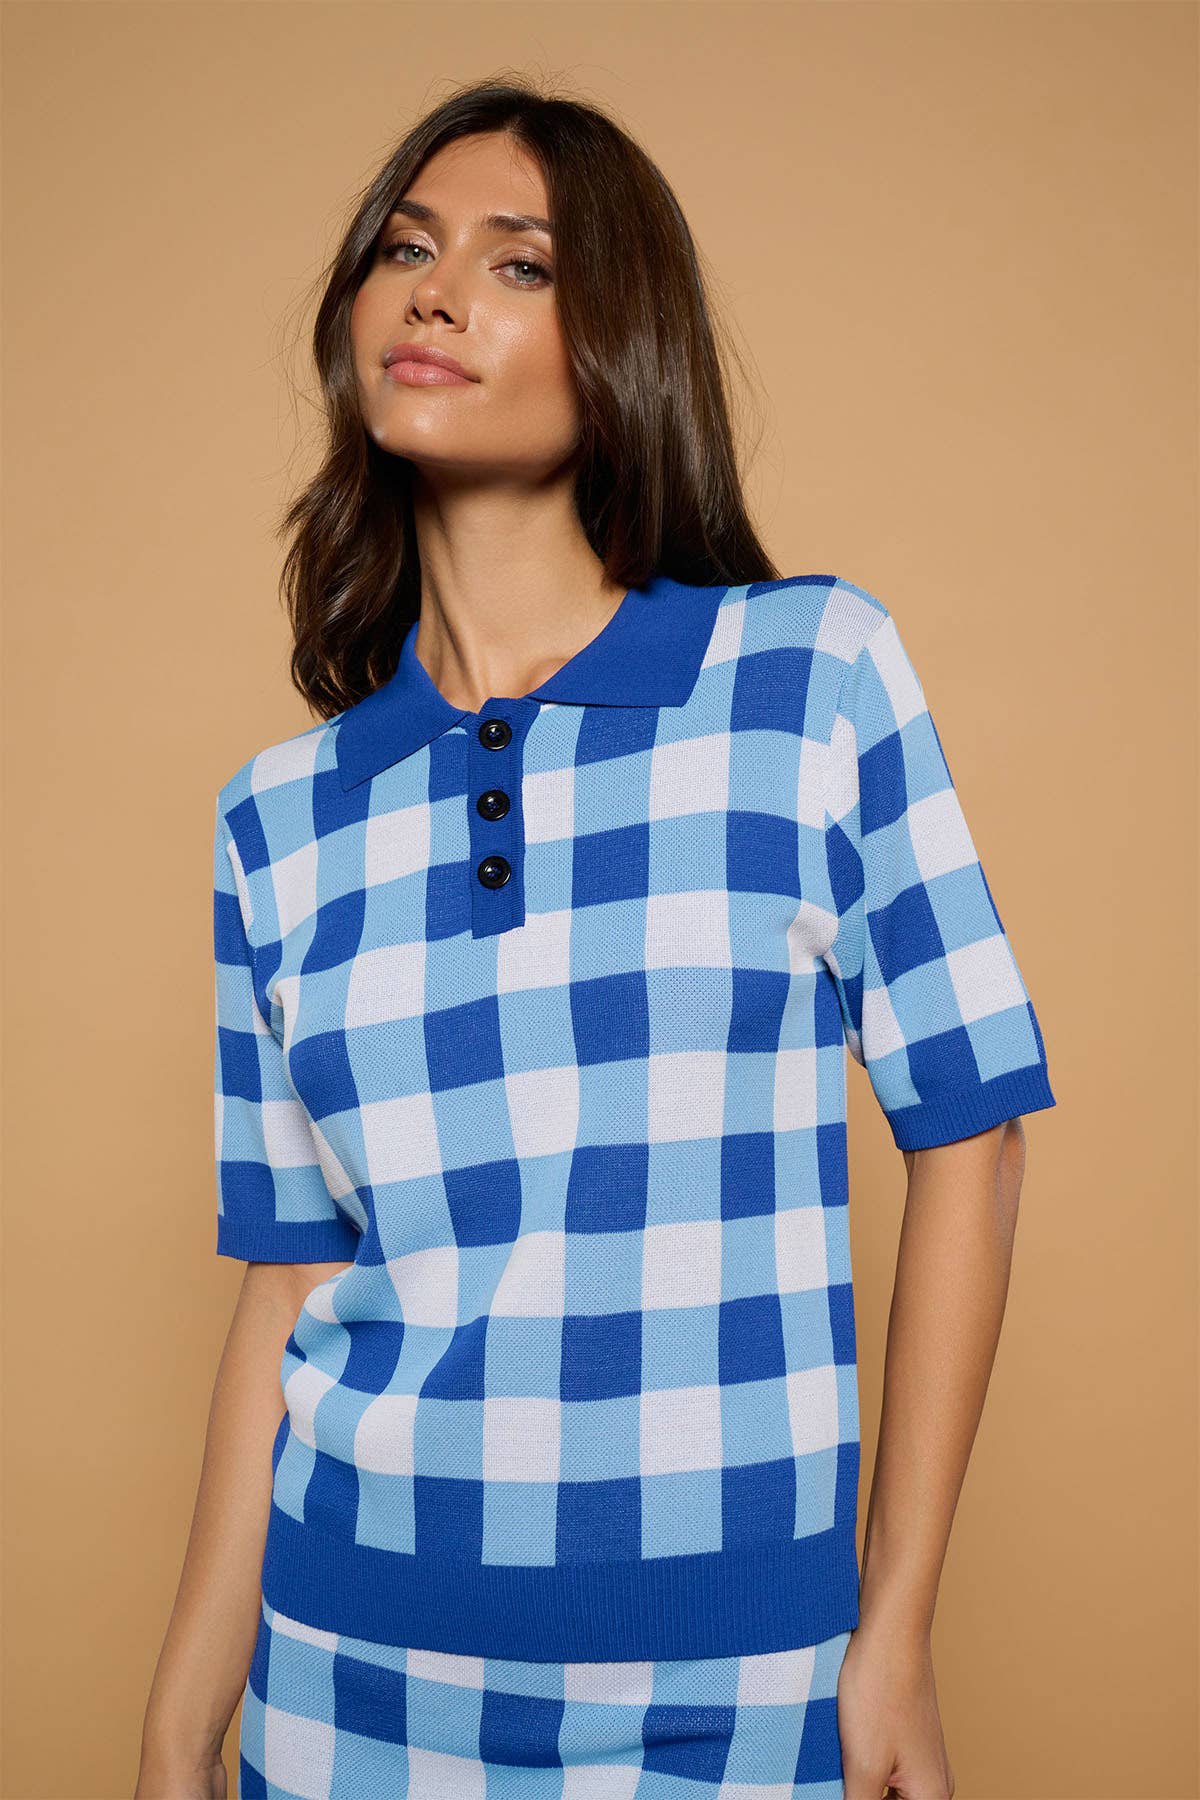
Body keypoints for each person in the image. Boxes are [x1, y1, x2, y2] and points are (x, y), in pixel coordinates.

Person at [136, 76, 1055, 1800]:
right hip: (344, 1682)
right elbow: (290, 1280)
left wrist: (895, 1626)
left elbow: (975, 1137)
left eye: (518, 262)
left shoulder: (808, 681)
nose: (435, 293)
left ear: (621, 336)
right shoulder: (279, 818)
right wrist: (182, 1724)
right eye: (404, 250)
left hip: (739, 1683)